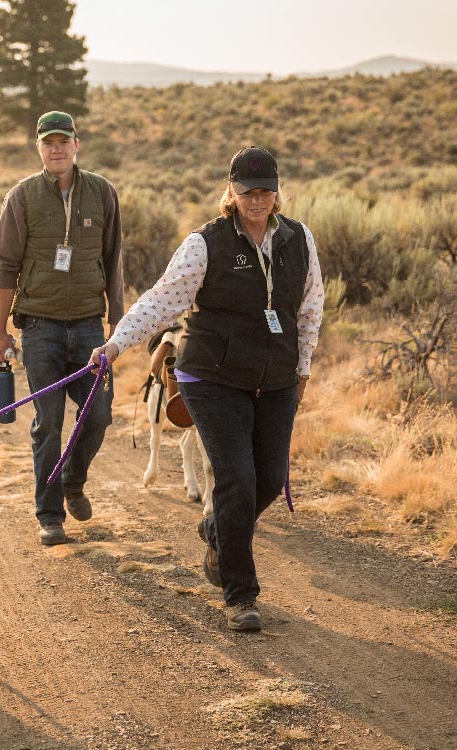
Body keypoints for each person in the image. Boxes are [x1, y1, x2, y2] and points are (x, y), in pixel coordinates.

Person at [89, 147, 323, 631]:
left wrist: (301, 371)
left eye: (264, 192)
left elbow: (309, 309)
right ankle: (241, 595)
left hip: (276, 378)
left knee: (268, 478)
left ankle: (217, 530)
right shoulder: (205, 244)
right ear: (230, 191)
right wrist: (115, 346)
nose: (256, 201)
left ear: (277, 191)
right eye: (246, 192)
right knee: (236, 477)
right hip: (213, 377)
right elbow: (161, 301)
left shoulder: (299, 240)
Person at [0, 110, 124, 546]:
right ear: (39, 148)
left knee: (99, 415)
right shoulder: (22, 196)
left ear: (76, 144)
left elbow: (113, 259)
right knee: (48, 422)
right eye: (48, 142)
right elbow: (6, 267)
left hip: (88, 325)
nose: (56, 149)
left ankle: (73, 479)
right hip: (41, 328)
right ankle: (50, 515)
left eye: (63, 141)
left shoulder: (102, 192)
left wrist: (116, 322)